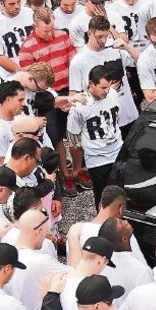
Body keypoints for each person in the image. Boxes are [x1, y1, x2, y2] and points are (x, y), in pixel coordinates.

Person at [66, 64, 122, 205]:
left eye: (108, 87)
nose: (106, 91)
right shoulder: (79, 107)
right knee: (103, 197)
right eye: (102, 88)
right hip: (97, 159)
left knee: (121, 192)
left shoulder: (113, 94)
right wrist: (77, 166)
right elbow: (73, 139)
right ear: (91, 84)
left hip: (117, 151)